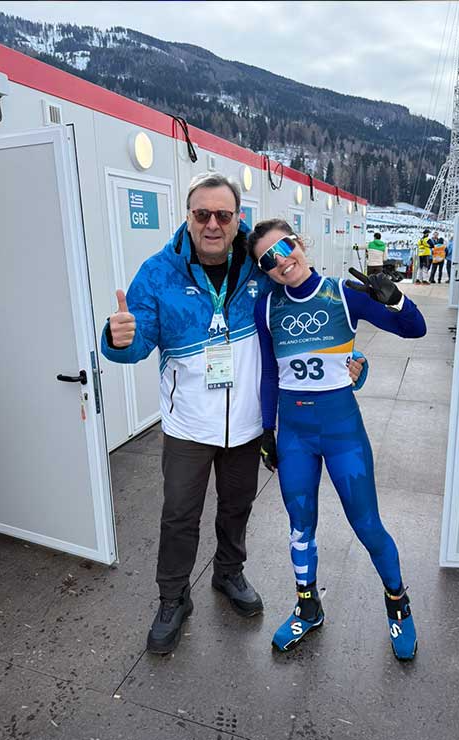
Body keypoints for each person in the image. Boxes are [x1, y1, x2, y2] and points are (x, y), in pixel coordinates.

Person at [101, 172, 366, 655]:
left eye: (223, 215)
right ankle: (173, 597)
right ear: (188, 216)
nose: (212, 224)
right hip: (188, 425)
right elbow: (136, 342)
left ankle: (228, 573)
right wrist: (117, 339)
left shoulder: (257, 266)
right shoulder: (158, 273)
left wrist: (349, 356)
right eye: (202, 214)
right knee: (179, 515)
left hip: (245, 425)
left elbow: (302, 302)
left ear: (237, 219)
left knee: (236, 506)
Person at [248, 220, 427, 660]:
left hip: (342, 429)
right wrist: (265, 430)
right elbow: (271, 373)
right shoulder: (267, 307)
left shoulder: (343, 295)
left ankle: (398, 606)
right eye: (267, 259)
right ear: (264, 271)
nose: (281, 261)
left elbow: (415, 330)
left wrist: (398, 300)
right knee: (299, 526)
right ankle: (308, 608)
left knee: (367, 525)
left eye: (284, 247)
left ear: (300, 242)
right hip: (294, 434)